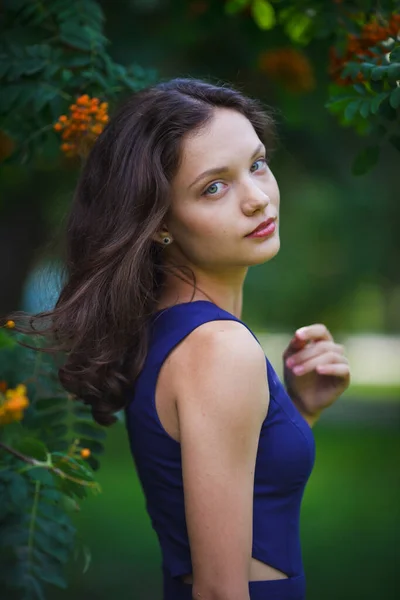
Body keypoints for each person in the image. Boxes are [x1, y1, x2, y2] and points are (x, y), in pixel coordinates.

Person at [15, 78, 350, 599]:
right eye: (214, 186)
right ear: (159, 222)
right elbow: (219, 590)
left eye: (257, 164)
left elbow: (250, 510)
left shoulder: (173, 329)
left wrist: (295, 410)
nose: (258, 199)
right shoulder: (219, 348)